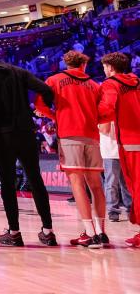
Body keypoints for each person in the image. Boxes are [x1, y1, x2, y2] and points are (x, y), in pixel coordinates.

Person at [0, 54, 57, 246]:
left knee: (7, 184)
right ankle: (48, 231)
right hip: (26, 131)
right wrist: (43, 109)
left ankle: (14, 232)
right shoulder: (20, 71)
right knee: (36, 179)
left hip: (2, 133)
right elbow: (45, 89)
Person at [35, 51, 106, 248]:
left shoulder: (54, 80)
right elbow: (103, 110)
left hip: (69, 134)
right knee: (96, 185)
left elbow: (39, 104)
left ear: (66, 63)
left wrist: (54, 116)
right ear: (83, 65)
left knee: (77, 184)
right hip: (92, 135)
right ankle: (101, 231)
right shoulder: (94, 84)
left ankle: (90, 234)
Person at [98, 51, 140, 247]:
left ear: (111, 68)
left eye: (105, 67)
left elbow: (107, 109)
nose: (104, 70)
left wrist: (89, 115)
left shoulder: (110, 84)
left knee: (135, 188)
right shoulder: (137, 81)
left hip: (130, 142)